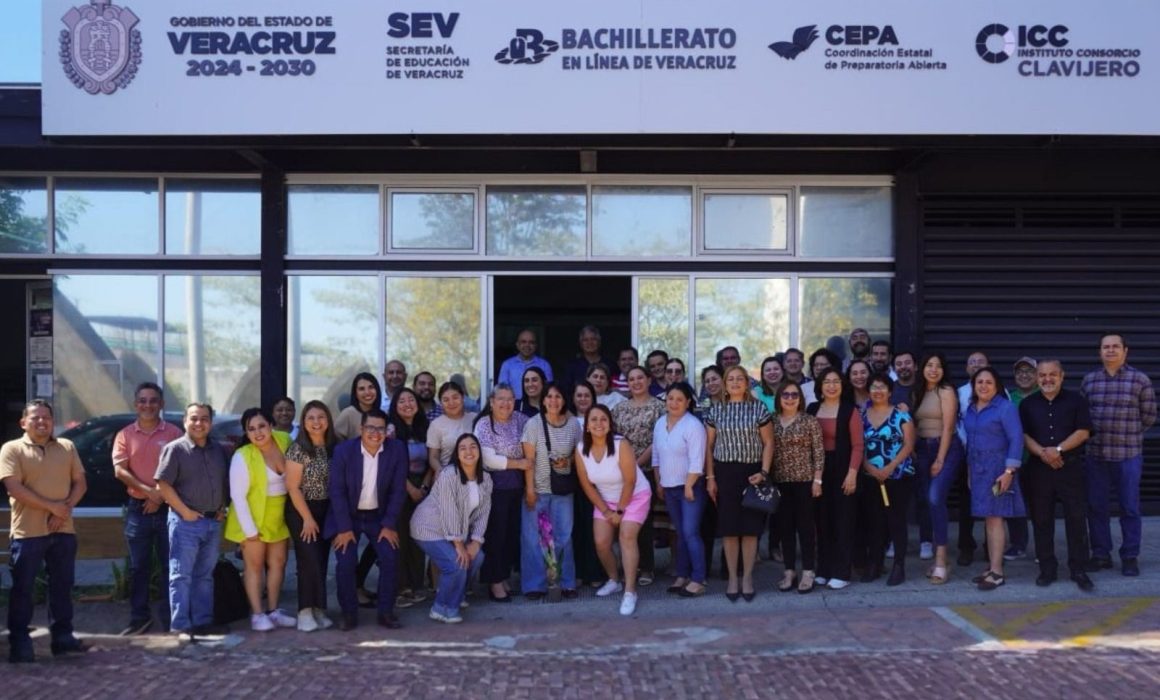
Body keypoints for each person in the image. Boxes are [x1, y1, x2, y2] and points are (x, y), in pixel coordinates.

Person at [2, 400, 88, 663]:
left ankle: (62, 638)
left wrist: (64, 509)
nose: (42, 422)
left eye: (47, 417)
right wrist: (53, 507)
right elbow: (14, 488)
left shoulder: (67, 447)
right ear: (23, 422)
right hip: (28, 533)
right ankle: (20, 642)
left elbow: (80, 483)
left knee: (62, 586)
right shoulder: (12, 449)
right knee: (23, 589)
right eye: (35, 417)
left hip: (63, 531)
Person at [325, 408, 408, 631]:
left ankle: (386, 612)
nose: (375, 433)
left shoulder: (397, 450)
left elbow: (398, 491)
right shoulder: (344, 451)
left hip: (379, 516)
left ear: (386, 431)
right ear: (361, 429)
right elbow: (337, 491)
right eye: (370, 428)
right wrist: (343, 528)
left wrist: (389, 524)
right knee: (345, 562)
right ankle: (349, 613)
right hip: (348, 516)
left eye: (380, 429)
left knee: (390, 557)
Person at [1081, 333, 1156, 577]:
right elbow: (1082, 417)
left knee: (1130, 508)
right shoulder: (1089, 381)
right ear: (1100, 352)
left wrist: (1128, 434)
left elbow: (1148, 416)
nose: (1110, 350)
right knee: (1096, 507)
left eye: (1115, 346)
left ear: (1125, 351)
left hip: (1128, 455)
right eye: (1106, 347)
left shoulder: (1139, 380)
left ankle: (1130, 556)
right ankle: (1101, 554)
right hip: (1096, 456)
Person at [112, 382, 184, 635]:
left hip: (169, 509)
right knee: (138, 567)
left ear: (161, 404)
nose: (148, 405)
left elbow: (181, 470)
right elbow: (120, 471)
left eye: (153, 400)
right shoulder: (124, 435)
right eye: (143, 400)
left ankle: (170, 619)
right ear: (136, 404)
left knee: (170, 566)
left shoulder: (175, 433)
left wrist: (159, 496)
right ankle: (139, 618)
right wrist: (148, 492)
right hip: (137, 509)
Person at [155, 403, 230, 638]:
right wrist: (184, 511)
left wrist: (223, 507)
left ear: (211, 422)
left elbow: (223, 481)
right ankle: (180, 625)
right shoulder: (175, 449)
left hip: (212, 522)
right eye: (194, 418)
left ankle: (202, 622)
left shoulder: (218, 450)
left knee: (204, 576)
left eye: (204, 419)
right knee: (181, 576)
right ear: (185, 421)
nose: (199, 423)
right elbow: (163, 485)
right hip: (185, 523)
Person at [1020, 359, 1094, 591]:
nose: (1047, 379)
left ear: (1062, 376)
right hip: (1039, 470)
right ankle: (1047, 569)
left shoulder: (1077, 401)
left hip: (1070, 468)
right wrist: (1044, 453)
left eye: (1052, 374)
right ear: (1037, 378)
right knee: (1041, 520)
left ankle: (1078, 568)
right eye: (1042, 375)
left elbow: (1083, 432)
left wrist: (1058, 450)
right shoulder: (1027, 404)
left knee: (1076, 519)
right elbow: (1023, 435)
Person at [704, 365, 774, 602]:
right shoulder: (716, 410)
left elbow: (769, 443)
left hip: (752, 473)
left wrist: (764, 472)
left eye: (739, 379)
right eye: (730, 379)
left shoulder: (758, 408)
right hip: (725, 473)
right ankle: (733, 578)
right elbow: (709, 447)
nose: (735, 382)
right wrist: (710, 478)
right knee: (730, 529)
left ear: (747, 383)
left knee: (751, 529)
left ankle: (748, 578)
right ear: (725, 384)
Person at [224, 408, 296, 631]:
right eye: (251, 429)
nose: (258, 432)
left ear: (271, 425)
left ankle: (273, 611)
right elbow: (237, 496)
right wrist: (250, 530)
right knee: (254, 567)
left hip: (279, 516)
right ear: (246, 433)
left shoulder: (284, 440)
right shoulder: (243, 455)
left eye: (262, 426)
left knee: (278, 564)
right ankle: (257, 614)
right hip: (251, 517)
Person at [575, 404, 651, 616]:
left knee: (627, 537)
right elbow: (587, 485)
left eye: (603, 419)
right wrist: (606, 511)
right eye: (593, 420)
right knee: (601, 543)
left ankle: (630, 591)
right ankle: (614, 580)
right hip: (605, 500)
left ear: (610, 424)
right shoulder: (580, 450)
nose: (599, 423)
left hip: (634, 496)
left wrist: (619, 512)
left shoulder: (620, 444)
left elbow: (630, 480)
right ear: (587, 426)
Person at [411, 433, 493, 624]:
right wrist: (459, 545)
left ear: (479, 451)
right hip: (428, 528)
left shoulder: (486, 478)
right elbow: (449, 511)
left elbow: (483, 512)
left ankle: (456, 595)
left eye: (473, 447)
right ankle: (441, 608)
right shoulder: (449, 475)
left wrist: (476, 542)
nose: (468, 451)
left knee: (477, 557)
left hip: (454, 531)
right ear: (457, 454)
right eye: (463, 448)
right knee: (456, 564)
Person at [962, 367, 1025, 591]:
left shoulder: (1005, 408)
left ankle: (997, 572)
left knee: (996, 518)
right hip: (978, 469)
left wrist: (1009, 472)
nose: (983, 386)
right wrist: (969, 472)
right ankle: (992, 567)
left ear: (997, 385)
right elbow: (970, 441)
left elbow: (1016, 439)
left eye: (989, 382)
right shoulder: (971, 408)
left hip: (998, 470)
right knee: (989, 518)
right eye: (979, 382)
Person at [520, 383, 583, 598]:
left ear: (564, 399)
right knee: (533, 538)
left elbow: (579, 454)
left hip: (563, 490)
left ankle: (567, 583)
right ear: (543, 400)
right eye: (549, 396)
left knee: (563, 536)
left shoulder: (573, 424)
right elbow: (528, 460)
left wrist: (567, 461)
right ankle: (534, 585)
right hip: (538, 489)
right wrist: (530, 490)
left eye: (558, 396)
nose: (553, 401)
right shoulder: (533, 424)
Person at [474, 384, 532, 602]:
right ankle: (494, 582)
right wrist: (519, 463)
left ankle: (504, 576)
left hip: (517, 486)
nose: (506, 403)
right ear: (491, 402)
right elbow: (488, 459)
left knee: (510, 535)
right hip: (494, 488)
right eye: (501, 399)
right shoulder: (484, 424)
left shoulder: (521, 419)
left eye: (510, 399)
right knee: (495, 536)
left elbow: (536, 432)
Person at [910, 353, 965, 585]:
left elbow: (949, 427)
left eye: (938, 366)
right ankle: (937, 556)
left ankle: (941, 560)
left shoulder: (946, 391)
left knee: (935, 498)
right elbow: (915, 424)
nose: (933, 370)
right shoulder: (918, 392)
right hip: (923, 449)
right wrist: (913, 449)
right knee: (928, 500)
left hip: (946, 448)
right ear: (922, 368)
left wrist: (940, 459)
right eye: (929, 365)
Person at [284, 400, 338, 631]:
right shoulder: (298, 449)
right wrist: (307, 518)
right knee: (309, 560)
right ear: (304, 422)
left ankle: (319, 609)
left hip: (327, 508)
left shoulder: (335, 446)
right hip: (301, 509)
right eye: (311, 418)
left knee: (322, 560)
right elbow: (292, 487)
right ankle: (304, 611)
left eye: (321, 417)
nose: (316, 422)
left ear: (328, 420)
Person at [808, 368, 863, 590]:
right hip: (817, 472)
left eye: (836, 381)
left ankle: (842, 572)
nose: (831, 386)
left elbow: (858, 446)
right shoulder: (812, 409)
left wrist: (852, 474)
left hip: (843, 470)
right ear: (820, 386)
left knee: (843, 521)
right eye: (827, 382)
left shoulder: (850, 410)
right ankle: (823, 569)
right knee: (821, 521)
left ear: (842, 385)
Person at [651, 382, 708, 597]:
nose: (674, 403)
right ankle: (682, 575)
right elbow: (656, 456)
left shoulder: (693, 425)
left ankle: (698, 579)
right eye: (670, 398)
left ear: (688, 402)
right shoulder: (660, 423)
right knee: (681, 532)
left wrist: (689, 485)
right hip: (669, 487)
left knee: (691, 532)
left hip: (690, 487)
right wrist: (659, 482)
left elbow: (697, 460)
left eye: (679, 399)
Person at [612, 366, 666, 586]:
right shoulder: (619, 408)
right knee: (624, 520)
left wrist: (635, 464)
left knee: (643, 522)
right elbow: (613, 437)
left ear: (649, 380)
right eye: (631, 379)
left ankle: (646, 567)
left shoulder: (659, 407)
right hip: (621, 474)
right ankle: (628, 565)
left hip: (647, 471)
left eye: (640, 378)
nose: (636, 382)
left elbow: (659, 440)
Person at [860, 374, 916, 586]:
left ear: (890, 391)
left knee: (896, 520)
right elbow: (857, 446)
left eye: (882, 387)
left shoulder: (901, 415)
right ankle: (875, 563)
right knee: (874, 521)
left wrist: (890, 468)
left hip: (898, 475)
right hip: (870, 476)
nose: (878, 391)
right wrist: (870, 468)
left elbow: (908, 444)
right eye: (874, 387)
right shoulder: (861, 416)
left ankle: (899, 566)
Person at [771, 380, 825, 594]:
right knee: (785, 528)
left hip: (805, 481)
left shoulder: (809, 421)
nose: (790, 398)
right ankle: (789, 571)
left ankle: (808, 571)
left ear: (800, 398)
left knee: (806, 528)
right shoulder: (772, 421)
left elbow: (818, 452)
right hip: (780, 482)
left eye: (794, 395)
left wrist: (817, 480)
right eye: (785, 394)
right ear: (779, 398)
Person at [387, 388, 433, 609]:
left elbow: (432, 461)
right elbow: (391, 466)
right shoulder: (391, 431)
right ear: (395, 406)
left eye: (411, 400)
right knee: (400, 538)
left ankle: (416, 585)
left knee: (418, 537)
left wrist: (423, 486)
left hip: (423, 487)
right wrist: (411, 489)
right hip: (398, 488)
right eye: (402, 401)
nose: (407, 404)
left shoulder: (426, 428)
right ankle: (400, 588)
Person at [955, 350, 992, 566]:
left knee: (993, 503)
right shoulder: (959, 393)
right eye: (972, 362)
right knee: (966, 504)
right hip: (966, 454)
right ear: (967, 368)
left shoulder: (1000, 392)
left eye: (981, 362)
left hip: (992, 456)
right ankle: (966, 547)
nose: (976, 365)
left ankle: (991, 547)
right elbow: (955, 423)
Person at [569, 380, 604, 587]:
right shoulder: (567, 420)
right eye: (579, 395)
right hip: (572, 481)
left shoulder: (600, 419)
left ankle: (596, 572)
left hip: (597, 481)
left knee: (595, 527)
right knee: (577, 528)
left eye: (587, 395)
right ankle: (579, 572)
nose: (583, 399)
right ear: (573, 398)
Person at [1004, 356, 1040, 561]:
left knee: (1040, 505)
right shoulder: (1008, 398)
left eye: (1029, 371)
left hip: (1038, 460)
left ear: (1037, 375)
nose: (1024, 375)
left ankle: (1042, 547)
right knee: (1014, 504)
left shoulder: (1043, 395)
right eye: (1020, 372)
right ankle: (1018, 544)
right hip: (1014, 460)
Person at [427, 381, 479, 469]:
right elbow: (433, 457)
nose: (451, 403)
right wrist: (441, 472)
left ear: (463, 398)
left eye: (455, 398)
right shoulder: (436, 425)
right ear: (441, 403)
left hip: (475, 471)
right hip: (448, 471)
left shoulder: (475, 419)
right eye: (446, 400)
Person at [497, 329, 554, 400]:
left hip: (538, 405)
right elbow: (502, 391)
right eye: (523, 342)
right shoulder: (507, 365)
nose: (527, 345)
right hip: (514, 406)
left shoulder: (544, 365)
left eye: (531, 342)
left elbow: (549, 390)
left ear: (536, 345)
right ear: (517, 345)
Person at [563, 325, 614, 396]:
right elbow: (567, 389)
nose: (590, 343)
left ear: (599, 342)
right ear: (581, 344)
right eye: (585, 340)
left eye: (593, 339)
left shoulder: (609, 364)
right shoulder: (572, 366)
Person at [335, 372, 383, 440]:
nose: (367, 392)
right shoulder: (348, 414)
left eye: (371, 387)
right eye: (362, 389)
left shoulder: (381, 414)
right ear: (355, 393)